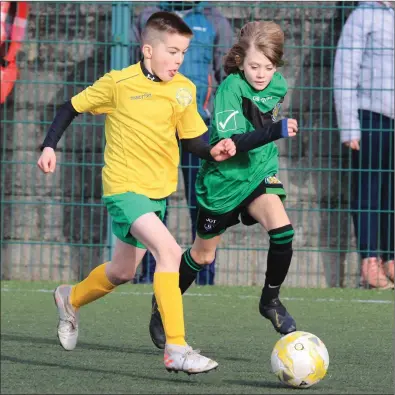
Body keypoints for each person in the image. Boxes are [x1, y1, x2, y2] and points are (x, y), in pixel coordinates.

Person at [37, 11, 237, 374]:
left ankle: (70, 298)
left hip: (158, 193)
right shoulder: (118, 83)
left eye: (183, 52)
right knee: (170, 251)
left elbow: (192, 139)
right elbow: (71, 107)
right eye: (172, 51)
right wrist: (49, 146)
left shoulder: (184, 90)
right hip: (124, 189)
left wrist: (214, 150)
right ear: (147, 49)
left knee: (122, 271)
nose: (178, 60)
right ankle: (176, 347)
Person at [148, 20, 299, 350]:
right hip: (223, 183)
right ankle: (163, 305)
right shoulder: (230, 89)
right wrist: (274, 132)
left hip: (257, 173)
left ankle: (270, 301)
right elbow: (237, 139)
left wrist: (268, 136)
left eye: (268, 67)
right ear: (240, 61)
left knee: (283, 230)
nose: (261, 74)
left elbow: (260, 127)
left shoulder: (279, 86)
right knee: (203, 256)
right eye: (254, 66)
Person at [130, 1, 233, 285]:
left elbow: (227, 75)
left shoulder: (215, 20)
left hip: (198, 126)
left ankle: (203, 275)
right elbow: (131, 69)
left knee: (202, 201)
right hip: (154, 128)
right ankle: (151, 272)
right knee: (152, 200)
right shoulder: (148, 17)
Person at [334, 1, 394, 289]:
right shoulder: (363, 14)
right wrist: (349, 126)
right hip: (372, 114)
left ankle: (391, 259)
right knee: (369, 189)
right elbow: (345, 72)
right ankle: (370, 260)